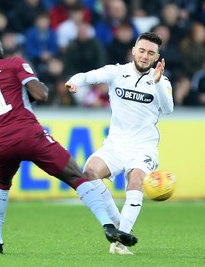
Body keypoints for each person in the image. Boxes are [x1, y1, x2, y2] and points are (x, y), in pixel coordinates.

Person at [0, 31, 138, 255]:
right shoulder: (14, 63)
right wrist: (36, 90)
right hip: (28, 133)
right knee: (76, 175)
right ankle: (108, 225)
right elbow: (41, 94)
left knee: (2, 183)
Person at [65, 32, 174, 255]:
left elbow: (169, 109)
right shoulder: (117, 72)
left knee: (135, 181)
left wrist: (157, 84)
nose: (145, 56)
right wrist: (74, 81)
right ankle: (119, 228)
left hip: (143, 146)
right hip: (116, 144)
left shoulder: (161, 80)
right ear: (134, 50)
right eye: (142, 50)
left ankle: (120, 242)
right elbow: (88, 76)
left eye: (150, 53)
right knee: (89, 171)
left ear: (156, 57)